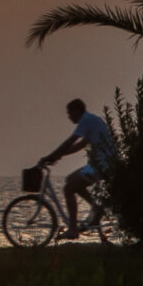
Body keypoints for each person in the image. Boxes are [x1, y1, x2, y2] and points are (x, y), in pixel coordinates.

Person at [34, 97, 114, 240]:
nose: (69, 117)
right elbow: (80, 145)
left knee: (69, 188)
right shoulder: (91, 120)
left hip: (103, 164)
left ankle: (72, 229)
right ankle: (97, 207)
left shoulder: (85, 121)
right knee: (70, 179)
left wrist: (50, 156)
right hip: (101, 163)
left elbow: (70, 141)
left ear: (77, 111)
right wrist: (58, 156)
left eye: (69, 113)